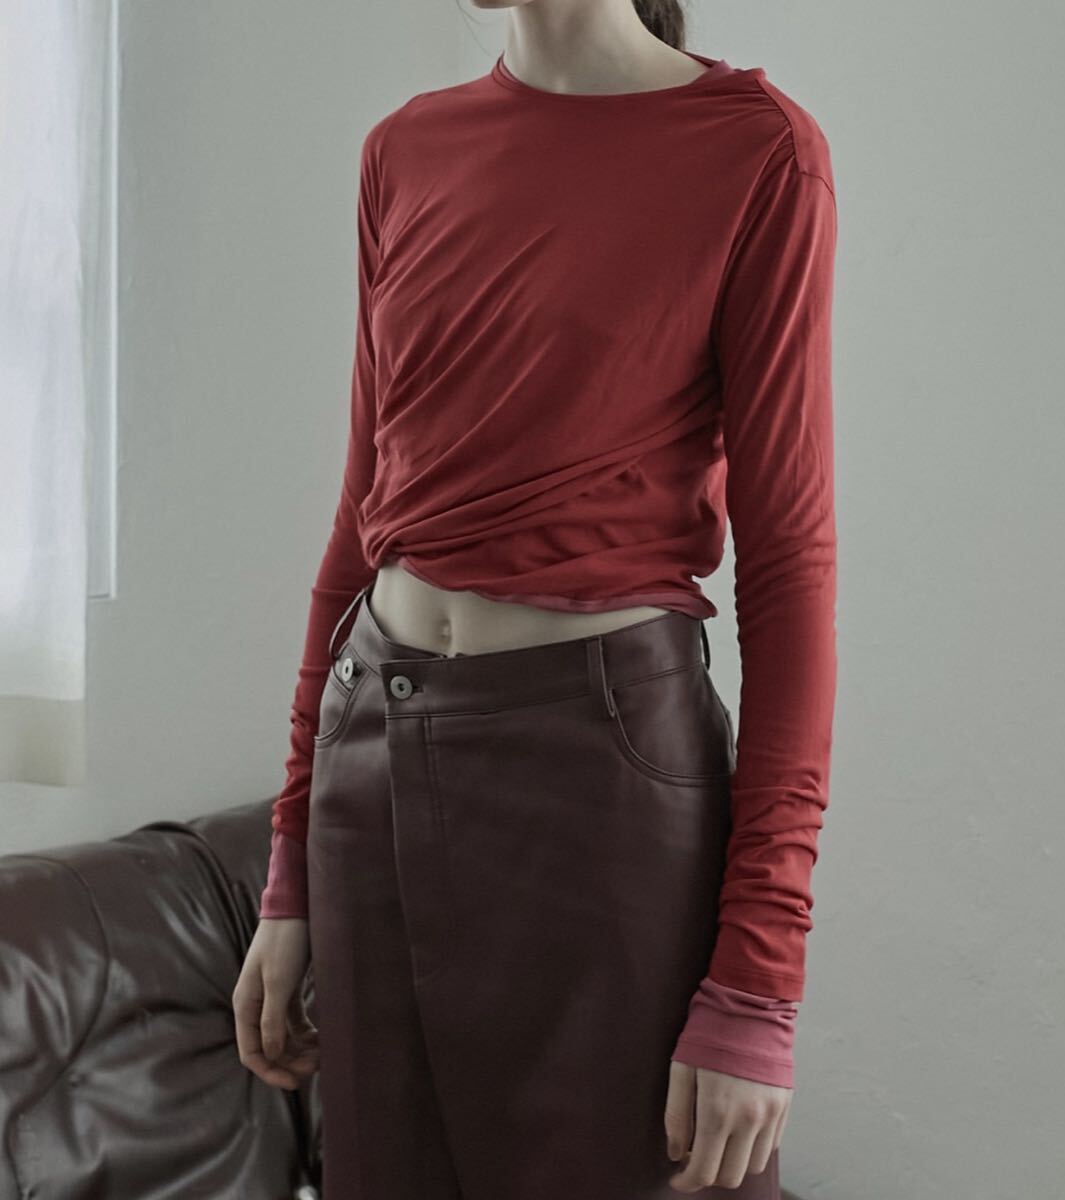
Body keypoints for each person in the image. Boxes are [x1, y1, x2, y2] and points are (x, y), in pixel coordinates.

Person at [231, 2, 838, 1196]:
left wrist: (760, 980)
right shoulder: (404, 149)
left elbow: (789, 568)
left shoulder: (757, 151)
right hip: (373, 764)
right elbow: (363, 517)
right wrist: (291, 860)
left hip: (599, 788)